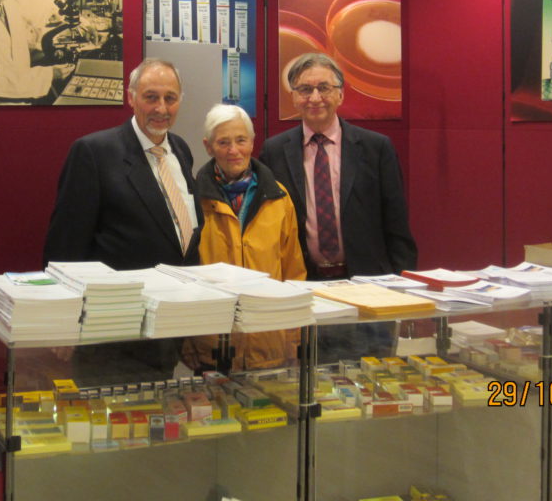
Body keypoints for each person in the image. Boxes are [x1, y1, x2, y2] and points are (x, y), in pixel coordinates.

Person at [44, 58, 202, 384]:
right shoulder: (94, 153)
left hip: (167, 328)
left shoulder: (181, 151)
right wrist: (62, 318)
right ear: (131, 97)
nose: (161, 108)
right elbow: (65, 244)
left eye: (170, 98)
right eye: (151, 97)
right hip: (112, 334)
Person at [260, 52, 417, 280]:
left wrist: (402, 283)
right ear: (293, 97)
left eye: (324, 88)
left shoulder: (376, 148)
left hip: (369, 281)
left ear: (341, 94)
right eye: (305, 89)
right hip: (302, 280)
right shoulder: (273, 152)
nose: (315, 98)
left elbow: (397, 225)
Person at [188, 103, 306, 372]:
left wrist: (294, 340)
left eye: (241, 140)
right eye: (223, 142)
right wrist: (186, 340)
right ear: (208, 146)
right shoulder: (193, 199)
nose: (233, 150)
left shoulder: (279, 198)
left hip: (269, 342)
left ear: (253, 142)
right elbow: (183, 277)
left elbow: (293, 274)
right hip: (213, 345)